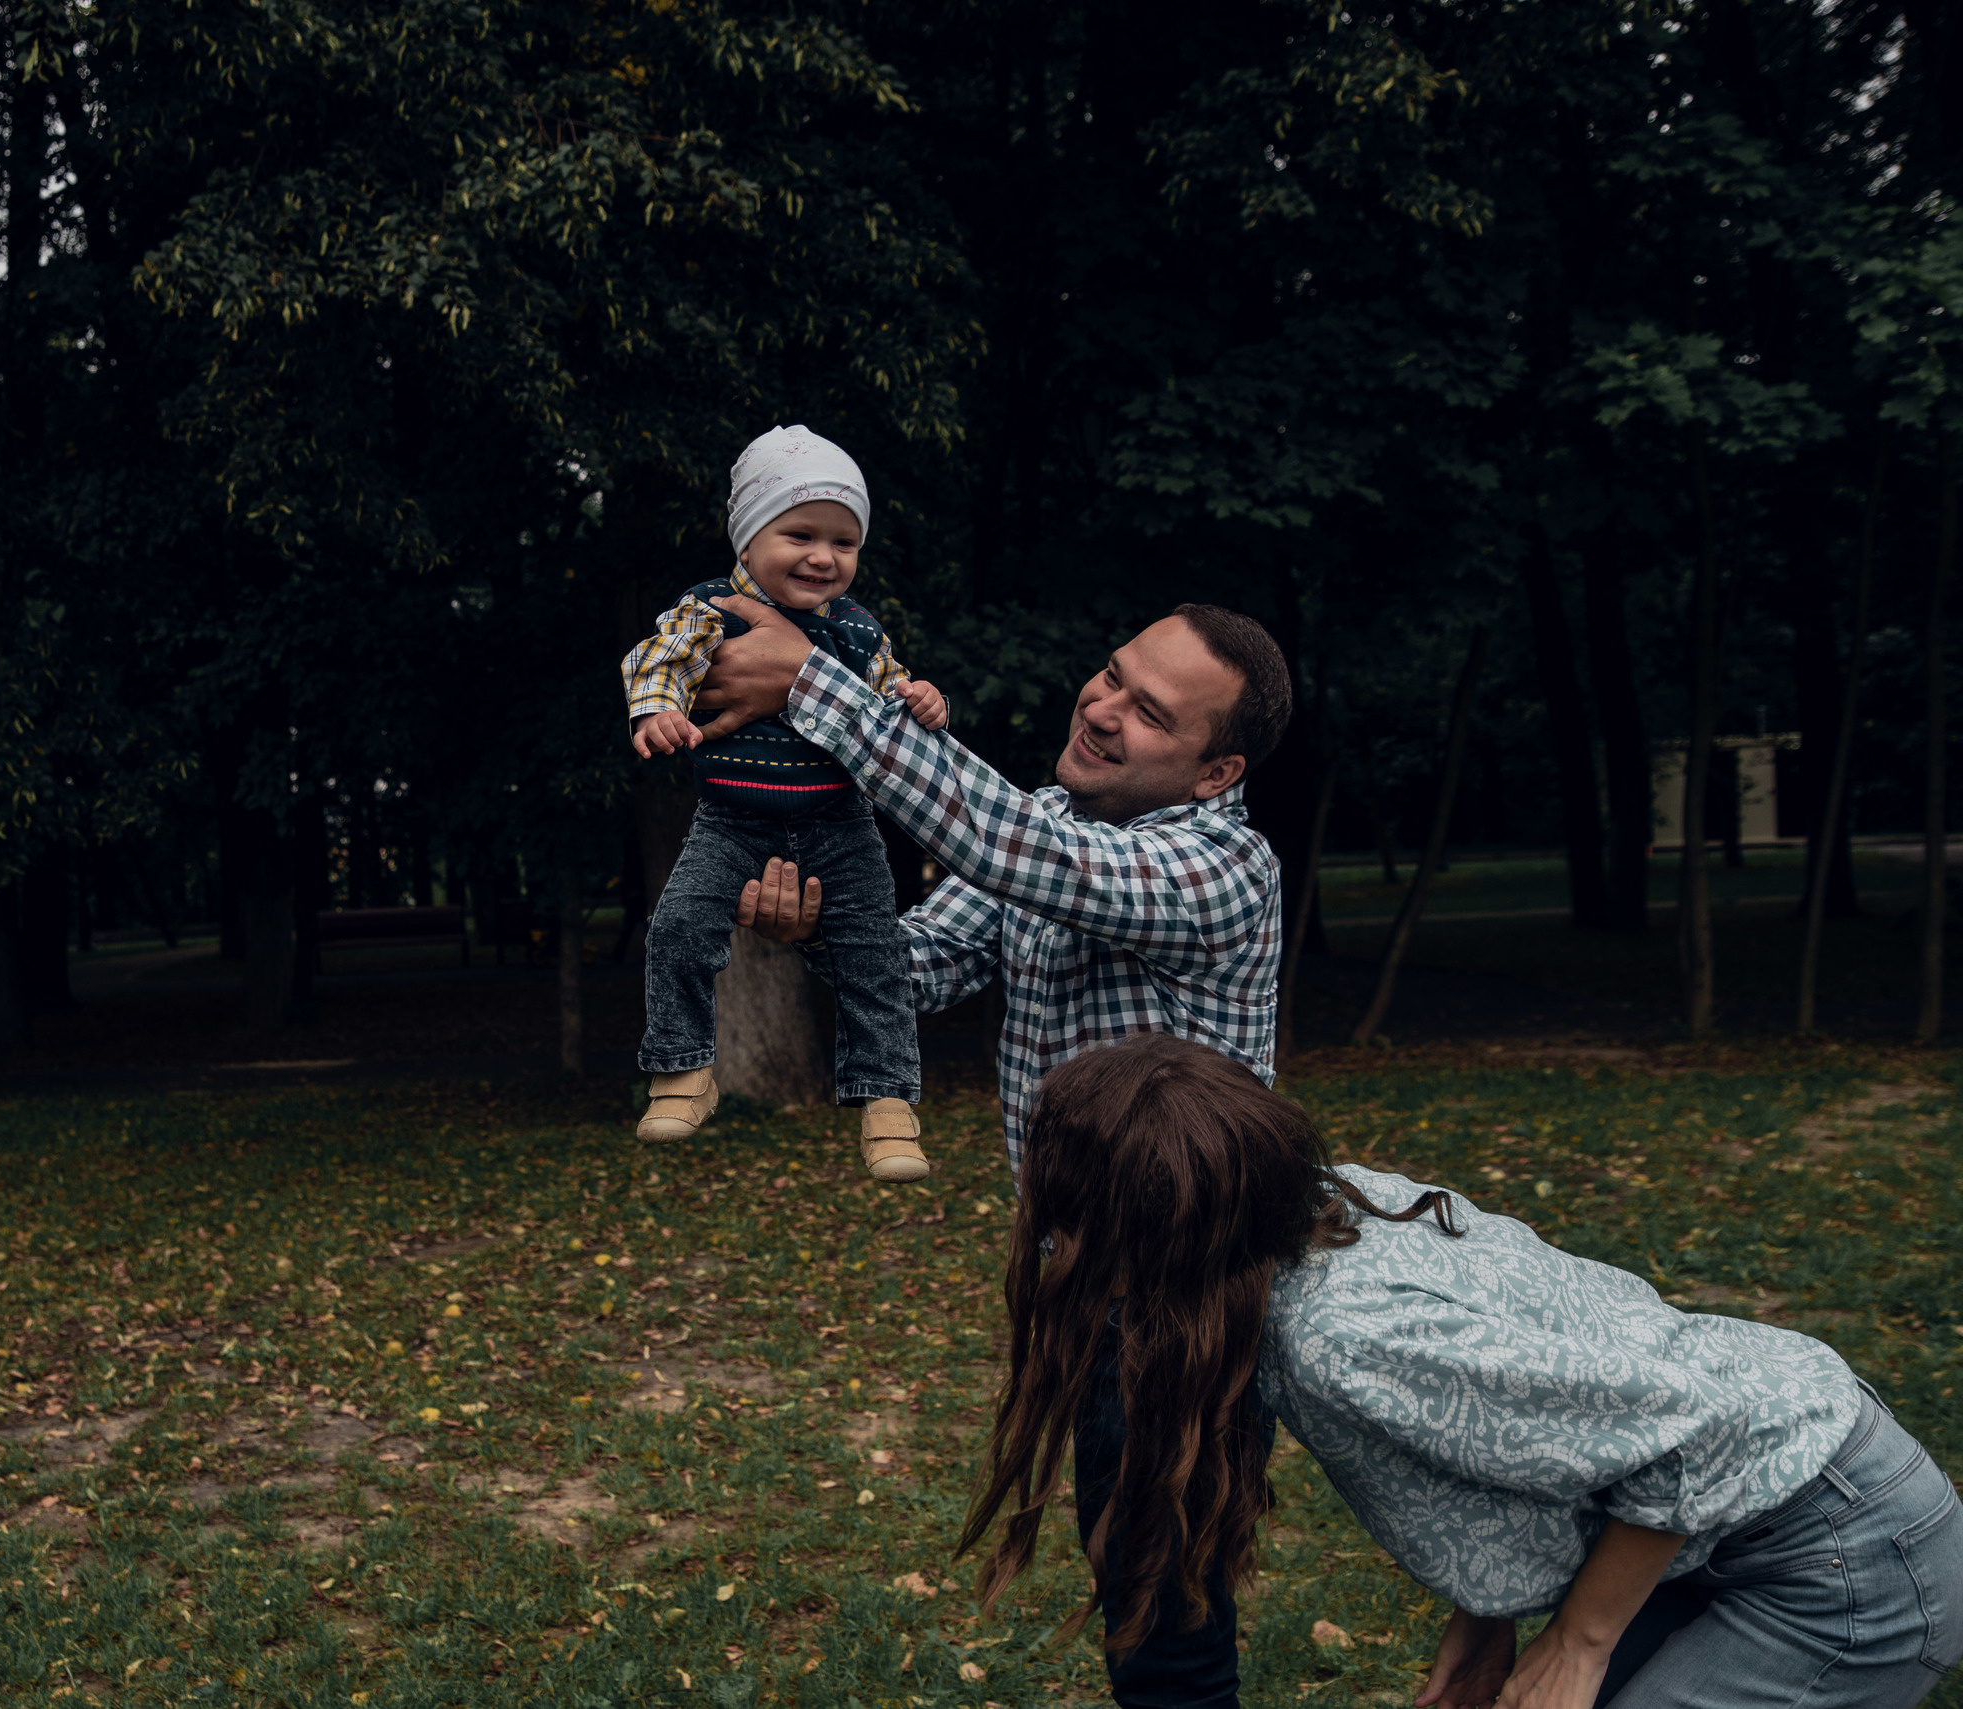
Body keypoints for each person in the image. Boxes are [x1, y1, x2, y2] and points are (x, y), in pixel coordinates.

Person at [961, 1034, 1963, 1709]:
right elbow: (1532, 1424)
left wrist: (1578, 1639)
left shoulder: (1342, 1339)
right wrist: (1490, 1610)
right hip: (1768, 1506)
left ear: (1157, 1235)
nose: (1054, 1244)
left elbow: (1691, 1433)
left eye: (1067, 1223)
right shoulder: (1335, 1198)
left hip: (1840, 1557)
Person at [707, 597, 1292, 1185]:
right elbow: (924, 968)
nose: (1100, 712)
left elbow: (1004, 843)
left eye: (1151, 715)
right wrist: (822, 921)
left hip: (1193, 1237)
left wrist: (810, 682)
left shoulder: (1227, 868)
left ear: (1216, 774)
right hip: (1059, 1228)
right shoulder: (1050, 820)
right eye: (1114, 677)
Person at [620, 426, 951, 1181]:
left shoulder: (859, 630)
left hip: (841, 822)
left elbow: (892, 702)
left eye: (844, 541)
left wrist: (923, 698)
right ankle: (683, 1070)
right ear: (747, 537)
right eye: (800, 534)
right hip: (732, 819)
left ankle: (889, 1106)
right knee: (678, 928)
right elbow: (659, 658)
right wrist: (657, 710)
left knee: (875, 955)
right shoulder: (714, 608)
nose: (823, 556)